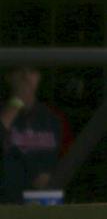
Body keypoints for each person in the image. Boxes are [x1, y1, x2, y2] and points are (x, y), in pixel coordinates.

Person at [1, 66, 69, 198]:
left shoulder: (53, 118)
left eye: (31, 71)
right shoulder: (4, 113)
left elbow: (68, 158)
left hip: (45, 198)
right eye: (20, 71)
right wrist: (17, 101)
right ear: (8, 77)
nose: (26, 77)